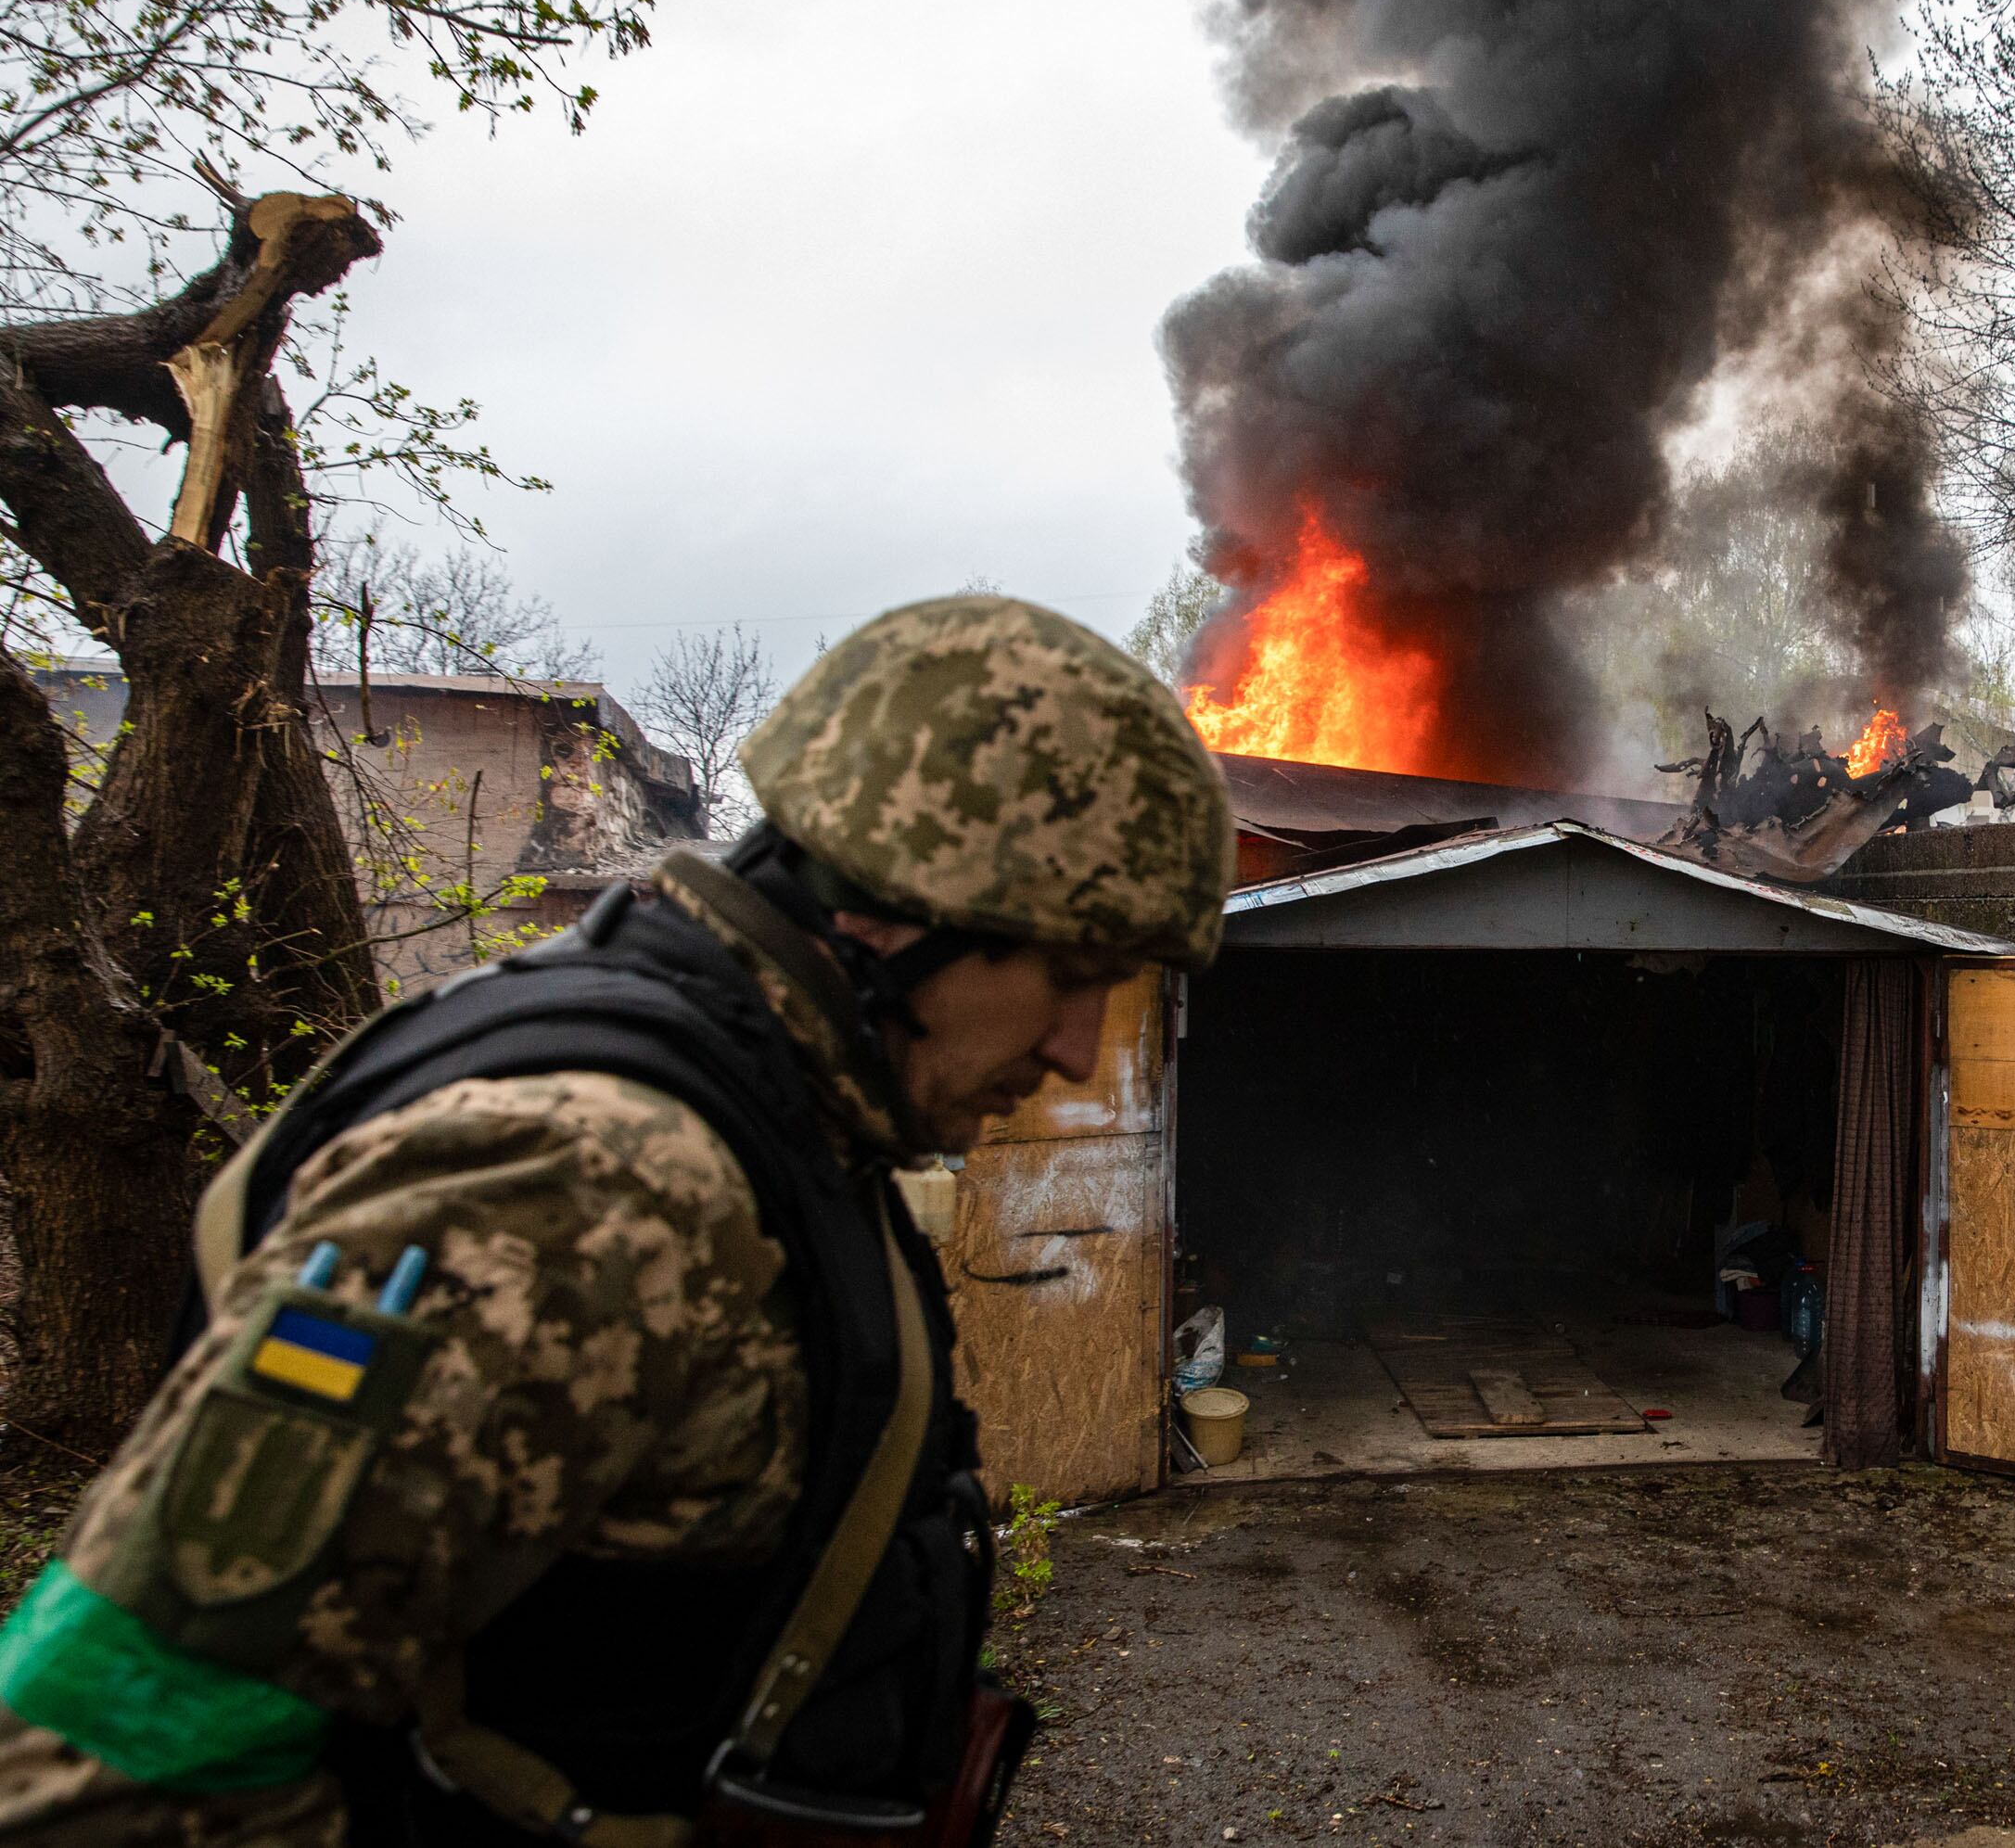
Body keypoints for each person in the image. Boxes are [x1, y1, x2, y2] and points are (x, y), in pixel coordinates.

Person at [0, 596, 1235, 1845]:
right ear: (901, 911)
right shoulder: (586, 1172)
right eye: (1071, 974)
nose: (1080, 1048)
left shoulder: (771, 1117)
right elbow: (101, 1769)